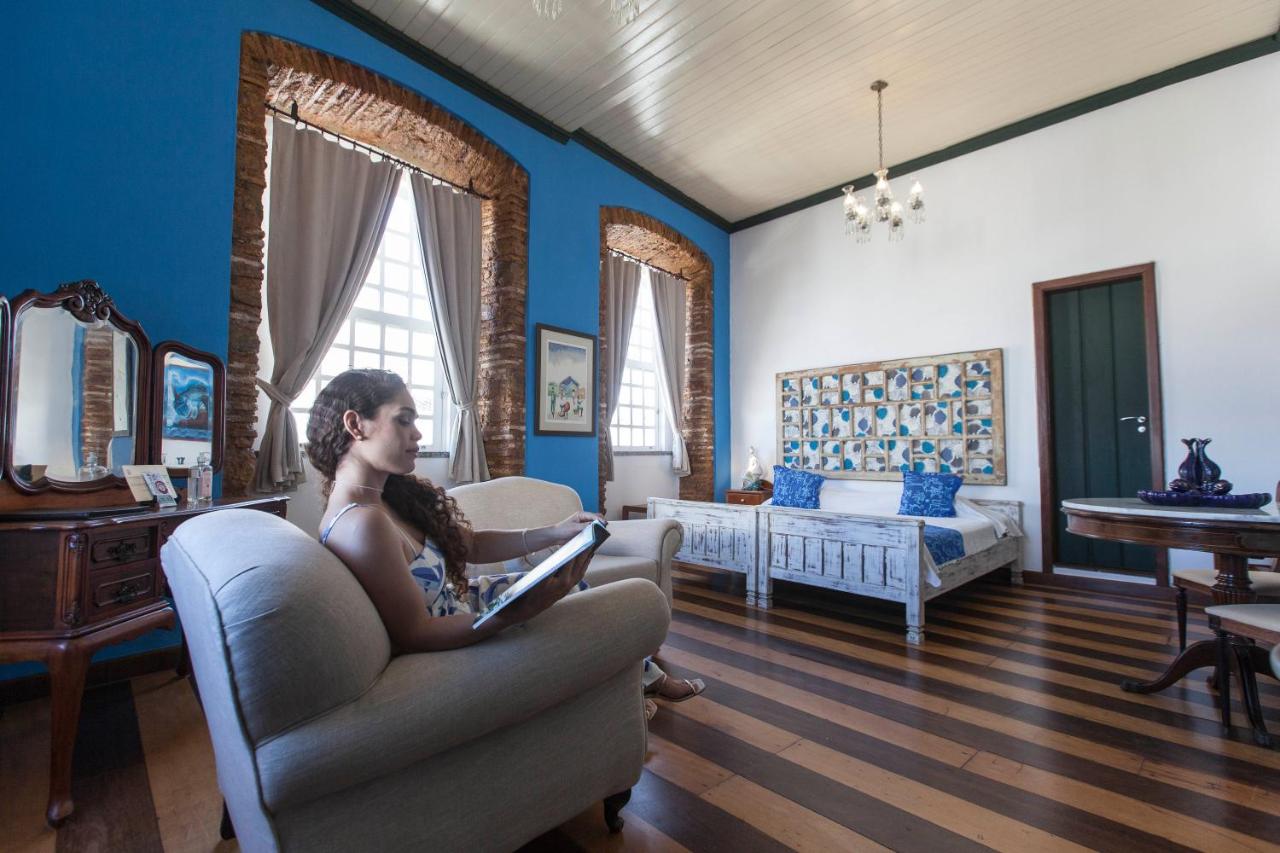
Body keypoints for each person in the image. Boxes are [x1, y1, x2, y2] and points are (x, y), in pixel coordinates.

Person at [306, 369, 703, 715]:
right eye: (403, 420)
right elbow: (415, 633)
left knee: (577, 590)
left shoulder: (386, 499)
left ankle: (635, 685)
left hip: (468, 605)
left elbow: (472, 546)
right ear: (356, 425)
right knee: (598, 603)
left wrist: (558, 530)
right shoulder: (362, 524)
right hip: (463, 629)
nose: (418, 433)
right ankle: (632, 689)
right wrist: (513, 613)